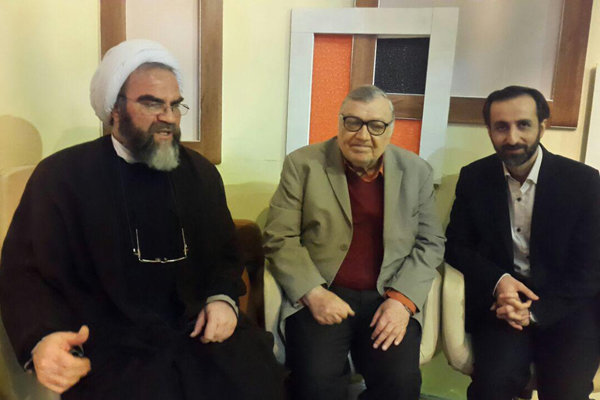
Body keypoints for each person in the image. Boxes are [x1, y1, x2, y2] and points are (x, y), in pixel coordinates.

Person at [0, 39, 284, 400]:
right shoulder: (61, 177)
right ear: (114, 109)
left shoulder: (200, 174)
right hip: (110, 342)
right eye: (152, 103)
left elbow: (225, 256)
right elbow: (25, 273)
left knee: (256, 379)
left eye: (175, 105)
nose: (169, 117)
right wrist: (43, 338)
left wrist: (222, 299)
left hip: (195, 332)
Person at [263, 85, 445, 400]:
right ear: (339, 122)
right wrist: (314, 293)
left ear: (390, 129)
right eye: (353, 122)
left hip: (388, 295)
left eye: (375, 126)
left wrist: (402, 301)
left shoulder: (416, 171)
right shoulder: (302, 164)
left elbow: (431, 242)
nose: (362, 135)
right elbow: (279, 235)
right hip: (323, 291)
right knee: (315, 383)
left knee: (400, 384)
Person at [445, 85, 600, 400]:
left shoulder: (583, 182)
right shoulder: (474, 178)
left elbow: (591, 268)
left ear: (543, 126)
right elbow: (457, 246)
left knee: (567, 391)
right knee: (491, 385)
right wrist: (499, 282)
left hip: (567, 308)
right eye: (501, 127)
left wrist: (536, 312)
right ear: (489, 130)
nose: (512, 137)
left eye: (523, 125)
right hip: (503, 307)